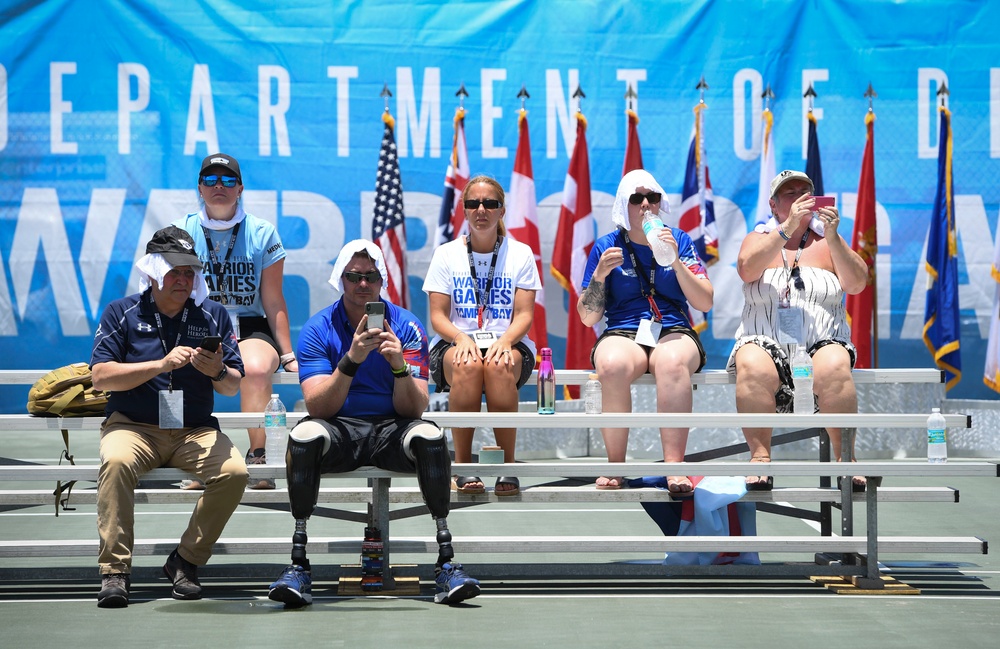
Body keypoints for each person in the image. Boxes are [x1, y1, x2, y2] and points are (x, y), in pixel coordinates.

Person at [267, 240, 480, 607]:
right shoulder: (318, 328)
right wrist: (351, 359)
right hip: (340, 428)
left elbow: (414, 409)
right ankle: (299, 564)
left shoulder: (408, 327)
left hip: (392, 429)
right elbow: (318, 407)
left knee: (430, 435)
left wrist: (399, 365)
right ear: (341, 279)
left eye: (370, 276)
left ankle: (446, 564)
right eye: (353, 276)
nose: (362, 284)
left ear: (382, 280)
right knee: (303, 435)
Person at [90, 225, 247, 608]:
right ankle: (115, 572)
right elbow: (100, 376)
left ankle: (185, 560)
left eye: (189, 272)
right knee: (116, 461)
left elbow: (233, 386)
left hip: (193, 430)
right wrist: (159, 363)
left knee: (235, 473)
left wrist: (217, 372)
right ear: (153, 272)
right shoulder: (121, 312)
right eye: (174, 271)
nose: (183, 279)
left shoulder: (213, 316)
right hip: (133, 426)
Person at [727, 170, 869, 490]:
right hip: (767, 346)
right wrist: (787, 227)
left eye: (805, 192)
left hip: (821, 344)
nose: (799, 198)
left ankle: (846, 458)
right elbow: (747, 268)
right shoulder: (759, 238)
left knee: (834, 361)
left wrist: (833, 235)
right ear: (774, 205)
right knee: (750, 359)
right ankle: (760, 457)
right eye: (790, 194)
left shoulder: (828, 242)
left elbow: (858, 283)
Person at [577, 169, 714, 494]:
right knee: (610, 364)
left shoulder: (678, 239)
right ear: (624, 205)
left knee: (670, 361)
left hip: (674, 328)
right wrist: (598, 275)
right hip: (624, 331)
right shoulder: (606, 245)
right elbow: (588, 317)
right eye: (637, 199)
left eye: (652, 197)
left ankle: (674, 467)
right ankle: (616, 465)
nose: (646, 205)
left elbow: (704, 300)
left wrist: (675, 261)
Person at [174, 153, 297, 490]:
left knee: (256, 369)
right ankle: (197, 459)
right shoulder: (182, 231)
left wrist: (287, 353)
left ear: (240, 188)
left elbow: (273, 299)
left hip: (249, 325)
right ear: (199, 188)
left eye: (228, 180)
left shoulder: (262, 231)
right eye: (211, 180)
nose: (219, 187)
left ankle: (258, 456)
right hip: (198, 322)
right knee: (185, 363)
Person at [423, 175, 542, 496]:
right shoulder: (446, 254)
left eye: (490, 203)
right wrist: (462, 339)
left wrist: (505, 341)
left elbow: (525, 315)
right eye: (473, 203)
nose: (481, 210)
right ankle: (463, 466)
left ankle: (507, 466)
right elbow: (437, 316)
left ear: (502, 211)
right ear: (463, 210)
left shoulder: (521, 254)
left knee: (498, 365)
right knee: (468, 365)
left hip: (510, 343)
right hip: (454, 344)